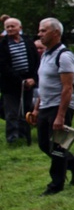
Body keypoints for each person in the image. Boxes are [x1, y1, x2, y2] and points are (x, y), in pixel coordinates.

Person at [30, 18, 74, 195]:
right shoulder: (46, 55)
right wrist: (36, 108)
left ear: (56, 33)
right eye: (39, 31)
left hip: (60, 106)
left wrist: (61, 116)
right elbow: (43, 85)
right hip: (46, 106)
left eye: (43, 31)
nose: (39, 34)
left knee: (58, 148)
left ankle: (56, 184)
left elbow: (67, 87)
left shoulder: (64, 56)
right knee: (43, 144)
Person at [0, 17, 39, 145]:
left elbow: (36, 61)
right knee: (12, 112)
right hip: (11, 84)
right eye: (7, 27)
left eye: (13, 26)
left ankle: (25, 136)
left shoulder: (28, 41)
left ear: (20, 28)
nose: (10, 29)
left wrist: (33, 78)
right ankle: (13, 139)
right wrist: (20, 81)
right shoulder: (3, 44)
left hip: (29, 81)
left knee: (26, 110)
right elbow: (4, 66)